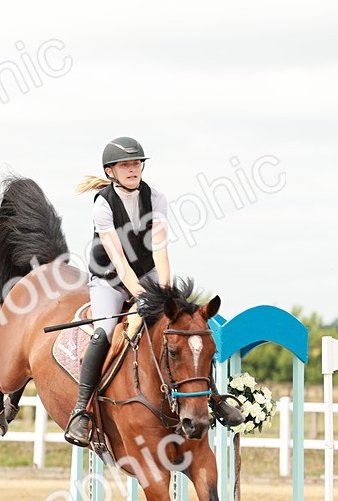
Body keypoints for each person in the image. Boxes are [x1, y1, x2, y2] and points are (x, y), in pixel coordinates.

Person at [64, 136, 240, 446]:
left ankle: (213, 399)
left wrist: (164, 291)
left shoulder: (156, 198)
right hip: (109, 279)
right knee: (104, 331)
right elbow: (118, 259)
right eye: (125, 165)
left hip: (147, 273)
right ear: (110, 171)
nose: (133, 169)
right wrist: (141, 296)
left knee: (180, 333)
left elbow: (160, 249)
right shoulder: (103, 204)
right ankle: (81, 411)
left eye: (137, 164)